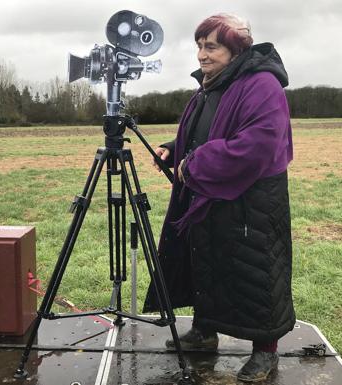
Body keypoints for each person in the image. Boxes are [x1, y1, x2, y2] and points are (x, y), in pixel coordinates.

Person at [143, 13, 295, 382]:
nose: (201, 55)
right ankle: (205, 331)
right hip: (210, 195)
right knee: (206, 262)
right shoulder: (213, 85)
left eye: (211, 46)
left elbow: (257, 144)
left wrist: (194, 165)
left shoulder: (261, 84)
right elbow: (204, 133)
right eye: (199, 45)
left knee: (255, 271)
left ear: (235, 48)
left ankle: (265, 352)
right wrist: (174, 148)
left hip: (252, 201)